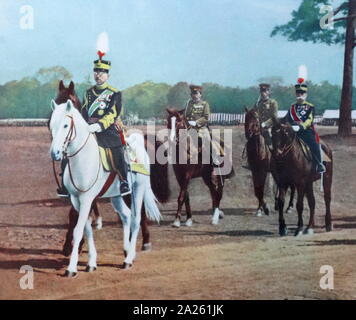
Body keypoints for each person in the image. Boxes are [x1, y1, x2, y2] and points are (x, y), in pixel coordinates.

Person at [57, 55, 130, 196]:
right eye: (96, 72)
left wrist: (99, 125)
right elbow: (84, 112)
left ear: (107, 75)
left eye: (102, 72)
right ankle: (65, 186)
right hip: (88, 128)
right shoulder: (88, 93)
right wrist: (83, 126)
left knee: (117, 148)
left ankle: (123, 181)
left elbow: (112, 113)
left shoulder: (114, 93)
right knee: (69, 149)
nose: (98, 75)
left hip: (107, 129)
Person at [282, 83, 326, 174]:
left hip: (306, 132)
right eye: (298, 93)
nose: (300, 95)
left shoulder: (310, 107)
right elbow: (286, 118)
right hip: (292, 133)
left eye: (302, 93)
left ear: (306, 95)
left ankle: (319, 164)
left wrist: (301, 127)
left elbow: (309, 120)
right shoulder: (292, 107)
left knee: (314, 144)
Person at [184, 85, 223, 166]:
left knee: (207, 140)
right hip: (190, 128)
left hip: (201, 128)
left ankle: (215, 158)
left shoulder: (204, 104)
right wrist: (188, 121)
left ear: (200, 94)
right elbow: (186, 115)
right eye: (192, 94)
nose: (194, 95)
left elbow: (206, 117)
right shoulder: (189, 103)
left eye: (196, 93)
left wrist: (196, 122)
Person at [254, 83, 278, 149]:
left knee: (271, 145)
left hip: (270, 127)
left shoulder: (273, 102)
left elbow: (274, 117)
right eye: (261, 91)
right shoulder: (258, 103)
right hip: (259, 127)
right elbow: (255, 114)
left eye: (265, 91)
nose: (263, 93)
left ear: (268, 92)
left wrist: (265, 124)